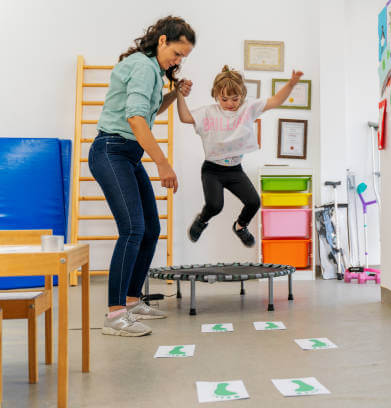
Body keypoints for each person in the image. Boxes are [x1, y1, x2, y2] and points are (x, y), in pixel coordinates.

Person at [89, 16, 195, 336]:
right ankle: (115, 315)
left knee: (150, 228)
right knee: (133, 228)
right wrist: (163, 163)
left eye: (183, 58)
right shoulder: (143, 66)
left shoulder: (154, 71)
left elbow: (147, 110)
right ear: (162, 41)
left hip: (128, 154)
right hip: (111, 150)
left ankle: (133, 300)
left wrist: (175, 94)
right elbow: (135, 119)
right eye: (176, 53)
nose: (177, 61)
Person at [176, 65, 303, 246]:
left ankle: (240, 226)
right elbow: (185, 117)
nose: (230, 103)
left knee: (254, 202)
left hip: (234, 171)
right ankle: (201, 221)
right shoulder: (209, 112)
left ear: (242, 95)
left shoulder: (248, 109)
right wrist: (179, 95)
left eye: (235, 99)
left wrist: (291, 84)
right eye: (224, 98)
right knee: (215, 206)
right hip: (212, 170)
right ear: (216, 95)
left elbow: (275, 100)